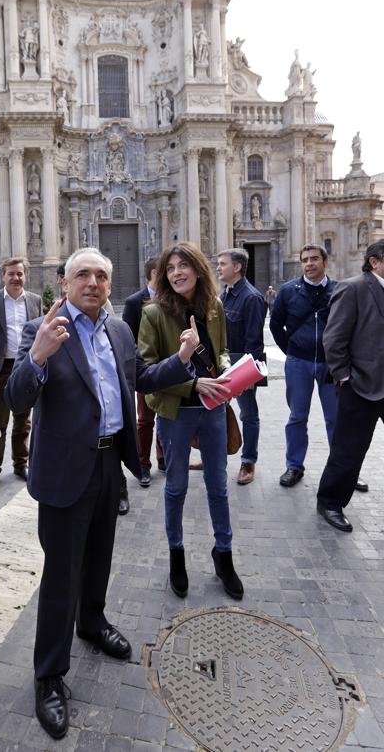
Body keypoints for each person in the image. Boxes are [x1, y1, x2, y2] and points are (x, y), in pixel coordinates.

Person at [5, 247, 198, 741]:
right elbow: (17, 397)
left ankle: (91, 622)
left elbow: (138, 379)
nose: (93, 282)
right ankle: (49, 674)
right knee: (60, 572)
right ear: (66, 283)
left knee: (99, 558)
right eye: (82, 275)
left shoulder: (116, 329)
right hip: (66, 467)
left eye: (102, 276)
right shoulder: (43, 329)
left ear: (110, 286)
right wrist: (38, 355)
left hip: (109, 461)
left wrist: (179, 361)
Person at [138, 242, 243, 605]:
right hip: (176, 411)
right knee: (176, 487)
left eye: (184, 266)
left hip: (213, 407)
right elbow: (147, 371)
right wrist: (190, 382)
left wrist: (228, 369)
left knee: (218, 484)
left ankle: (224, 554)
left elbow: (223, 349)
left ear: (198, 270)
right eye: (171, 268)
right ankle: (176, 554)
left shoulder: (214, 308)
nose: (177, 273)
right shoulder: (153, 314)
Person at [316, 240, 384, 531]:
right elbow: (333, 338)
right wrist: (345, 376)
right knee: (349, 449)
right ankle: (330, 502)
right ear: (374, 261)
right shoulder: (354, 288)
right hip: (361, 386)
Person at [269, 244, 339, 488]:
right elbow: (275, 325)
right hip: (299, 363)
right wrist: (290, 351)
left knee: (336, 418)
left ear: (325, 261)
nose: (309, 264)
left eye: (314, 259)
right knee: (297, 417)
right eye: (305, 260)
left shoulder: (339, 290)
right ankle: (294, 466)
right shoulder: (288, 291)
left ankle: (342, 468)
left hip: (332, 365)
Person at [0, 258, 42, 494]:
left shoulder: (34, 300)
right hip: (1, 368)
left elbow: (40, 331)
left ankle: (20, 464)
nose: (16, 278)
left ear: (25, 276)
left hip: (26, 367)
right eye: (11, 274)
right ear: (3, 276)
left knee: (23, 421)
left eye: (20, 274)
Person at [217, 248, 267, 485]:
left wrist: (247, 377)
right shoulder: (225, 294)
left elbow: (254, 340)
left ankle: (248, 462)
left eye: (222, 264)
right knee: (215, 411)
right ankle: (214, 455)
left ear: (236, 267)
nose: (218, 267)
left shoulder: (252, 297)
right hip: (223, 361)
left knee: (248, 415)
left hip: (242, 362)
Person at [122, 256, 165, 486]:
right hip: (145, 370)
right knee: (145, 419)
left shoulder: (172, 298)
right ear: (155, 273)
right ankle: (142, 465)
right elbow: (127, 339)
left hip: (168, 370)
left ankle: (163, 458)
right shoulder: (133, 302)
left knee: (166, 415)